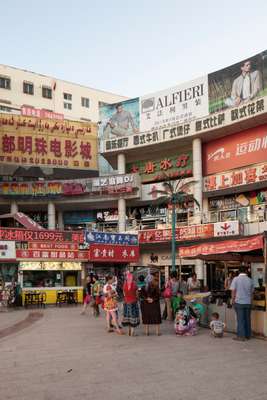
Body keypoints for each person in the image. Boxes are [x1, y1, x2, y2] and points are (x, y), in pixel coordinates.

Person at [230, 266, 254, 341]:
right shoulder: (250, 280)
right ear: (246, 272)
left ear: (239, 271)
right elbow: (252, 293)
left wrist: (233, 300)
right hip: (248, 302)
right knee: (247, 319)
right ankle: (248, 335)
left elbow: (233, 291)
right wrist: (251, 302)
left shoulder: (236, 279)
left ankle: (241, 336)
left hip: (239, 302)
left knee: (240, 320)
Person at [122, 272, 140, 336]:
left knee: (128, 317)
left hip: (126, 302)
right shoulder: (135, 285)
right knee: (133, 316)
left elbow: (124, 294)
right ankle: (132, 332)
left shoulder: (124, 285)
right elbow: (137, 295)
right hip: (133, 302)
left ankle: (129, 331)